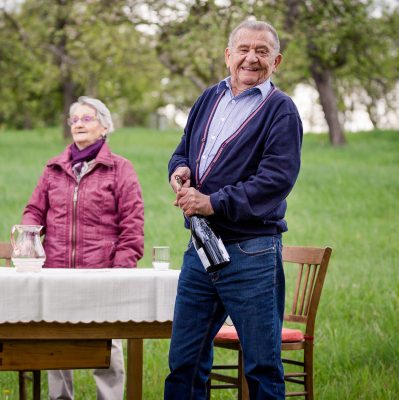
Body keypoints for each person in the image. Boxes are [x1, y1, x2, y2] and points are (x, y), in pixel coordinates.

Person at [164, 20, 303, 400]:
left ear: (276, 61)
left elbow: (275, 181)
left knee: (261, 367)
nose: (251, 58)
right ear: (228, 55)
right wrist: (180, 169)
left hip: (252, 252)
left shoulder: (281, 111)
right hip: (201, 249)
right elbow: (182, 149)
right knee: (185, 362)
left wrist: (211, 202)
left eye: (261, 51)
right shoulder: (209, 98)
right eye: (243, 49)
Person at [22, 96, 144, 400]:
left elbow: (132, 222)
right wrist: (29, 240)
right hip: (56, 270)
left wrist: (121, 269)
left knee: (108, 341)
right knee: (55, 339)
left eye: (86, 118)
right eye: (74, 119)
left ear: (104, 127)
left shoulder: (120, 169)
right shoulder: (53, 169)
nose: (78, 123)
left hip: (102, 273)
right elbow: (34, 212)